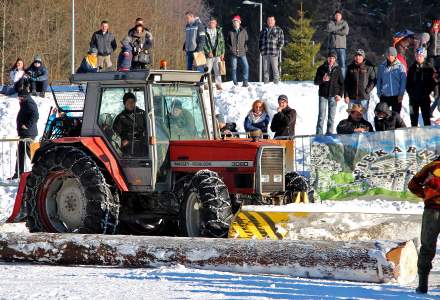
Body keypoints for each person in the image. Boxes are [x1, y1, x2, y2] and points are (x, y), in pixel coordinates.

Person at [407, 156, 440, 294]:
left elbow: (412, 185)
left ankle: (422, 285)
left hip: (432, 211)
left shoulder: (431, 167)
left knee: (427, 247)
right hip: (432, 209)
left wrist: (426, 195)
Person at [8, 84, 39, 180]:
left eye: (20, 97)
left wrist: (27, 125)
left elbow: (35, 115)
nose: (19, 99)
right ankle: (18, 173)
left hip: (28, 134)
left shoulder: (29, 103)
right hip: (24, 134)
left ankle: (39, 172)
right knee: (20, 154)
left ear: (24, 97)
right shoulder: (25, 103)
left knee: (31, 154)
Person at [314, 51, 344, 135]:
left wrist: (340, 95)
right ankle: (319, 134)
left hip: (333, 95)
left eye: (333, 58)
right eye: (330, 58)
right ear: (327, 58)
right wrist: (322, 80)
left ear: (335, 59)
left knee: (331, 117)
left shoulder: (338, 69)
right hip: (323, 95)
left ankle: (329, 134)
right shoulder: (321, 68)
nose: (331, 59)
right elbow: (316, 82)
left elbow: (342, 84)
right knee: (321, 116)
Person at [406, 47, 437, 127]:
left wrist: (427, 92)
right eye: (417, 55)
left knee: (426, 119)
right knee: (413, 119)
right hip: (413, 100)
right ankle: (414, 137)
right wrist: (411, 93)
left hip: (425, 98)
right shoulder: (411, 68)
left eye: (420, 55)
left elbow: (433, 83)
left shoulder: (429, 68)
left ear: (424, 56)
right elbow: (407, 83)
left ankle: (428, 137)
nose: (418, 57)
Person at [344, 49, 376, 119]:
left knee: (363, 117)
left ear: (363, 57)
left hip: (364, 97)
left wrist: (368, 89)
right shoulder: (350, 67)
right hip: (352, 97)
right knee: (351, 117)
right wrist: (346, 95)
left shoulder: (369, 67)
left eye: (359, 55)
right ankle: (352, 130)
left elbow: (373, 80)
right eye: (356, 55)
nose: (358, 57)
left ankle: (364, 130)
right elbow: (346, 82)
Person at [112, 92, 147, 156]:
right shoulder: (120, 117)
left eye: (133, 102)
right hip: (128, 148)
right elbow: (116, 134)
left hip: (143, 145)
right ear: (124, 103)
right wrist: (121, 142)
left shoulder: (142, 114)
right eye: (128, 102)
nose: (131, 104)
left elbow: (149, 129)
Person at [376, 47, 407, 114]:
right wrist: (379, 93)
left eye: (392, 55)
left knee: (395, 116)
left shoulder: (400, 66)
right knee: (383, 115)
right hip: (385, 96)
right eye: (388, 55)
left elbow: (403, 82)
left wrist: (401, 94)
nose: (390, 57)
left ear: (395, 56)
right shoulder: (382, 67)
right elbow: (379, 81)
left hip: (396, 96)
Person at [259, 15, 284, 84]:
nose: (270, 22)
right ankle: (266, 83)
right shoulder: (263, 30)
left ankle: (276, 82)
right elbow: (260, 41)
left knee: (275, 69)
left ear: (274, 21)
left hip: (274, 53)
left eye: (271, 20)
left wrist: (277, 49)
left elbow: (281, 41)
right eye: (269, 20)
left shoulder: (279, 30)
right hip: (265, 52)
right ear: (267, 21)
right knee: (265, 69)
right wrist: (261, 50)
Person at [227, 15, 249, 87]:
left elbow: (247, 41)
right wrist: (231, 49)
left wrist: (245, 49)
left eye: (236, 21)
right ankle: (234, 82)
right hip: (233, 53)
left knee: (246, 66)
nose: (235, 23)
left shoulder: (244, 31)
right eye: (233, 22)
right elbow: (228, 43)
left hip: (242, 52)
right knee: (233, 68)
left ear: (239, 22)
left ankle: (245, 81)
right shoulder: (230, 32)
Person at [326, 10, 349, 78]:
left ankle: (343, 79)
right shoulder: (331, 22)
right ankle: (330, 79)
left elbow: (345, 32)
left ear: (341, 16)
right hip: (332, 47)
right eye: (336, 15)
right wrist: (339, 28)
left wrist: (334, 31)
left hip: (341, 47)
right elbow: (329, 29)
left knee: (342, 64)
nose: (337, 16)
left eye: (339, 15)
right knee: (330, 64)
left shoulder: (344, 23)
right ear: (334, 16)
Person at [204, 17, 225, 90]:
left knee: (218, 70)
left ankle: (218, 84)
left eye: (213, 22)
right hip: (208, 54)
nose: (212, 24)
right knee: (207, 70)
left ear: (216, 23)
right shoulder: (205, 31)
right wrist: (208, 51)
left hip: (217, 54)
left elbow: (222, 43)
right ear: (208, 23)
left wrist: (222, 53)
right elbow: (203, 43)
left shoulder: (219, 31)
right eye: (210, 22)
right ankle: (205, 84)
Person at [428, 20, 440, 115]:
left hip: (439, 55)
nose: (436, 26)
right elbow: (427, 42)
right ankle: (434, 88)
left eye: (437, 25)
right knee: (432, 70)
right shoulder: (430, 33)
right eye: (434, 25)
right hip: (431, 55)